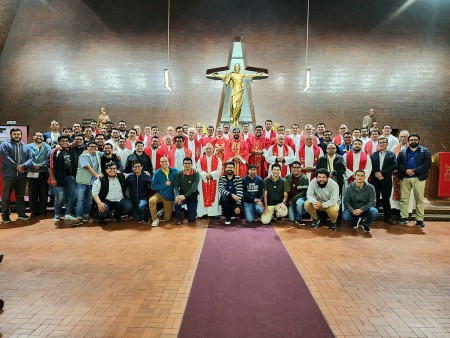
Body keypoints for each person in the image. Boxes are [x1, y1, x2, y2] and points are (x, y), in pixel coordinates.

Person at [397, 134, 432, 228]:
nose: (413, 141)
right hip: (405, 177)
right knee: (404, 199)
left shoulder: (425, 151)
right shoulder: (403, 151)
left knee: (419, 199)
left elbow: (427, 164)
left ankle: (419, 219)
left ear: (419, 141)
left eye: (415, 139)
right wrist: (405, 170)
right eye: (411, 139)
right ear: (408, 141)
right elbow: (398, 163)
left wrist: (415, 171)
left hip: (419, 178)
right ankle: (404, 217)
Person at [0, 128, 33, 223]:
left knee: (20, 196)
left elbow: (30, 158)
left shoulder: (26, 147)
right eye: (14, 134)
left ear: (21, 135)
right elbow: (5, 157)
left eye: (18, 134)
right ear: (11, 135)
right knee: (6, 196)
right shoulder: (5, 145)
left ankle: (21, 214)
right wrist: (16, 166)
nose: (16, 136)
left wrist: (23, 166)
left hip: (22, 175)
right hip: (9, 175)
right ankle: (5, 216)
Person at [48, 136, 78, 222]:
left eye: (66, 141)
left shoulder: (70, 150)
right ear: (58, 142)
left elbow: (75, 143)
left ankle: (68, 213)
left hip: (70, 177)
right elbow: (50, 167)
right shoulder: (54, 151)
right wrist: (53, 179)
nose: (65, 142)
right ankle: (57, 215)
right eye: (62, 141)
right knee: (59, 197)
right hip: (58, 178)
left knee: (74, 195)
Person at [370, 136, 397, 225]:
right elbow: (370, 166)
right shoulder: (373, 154)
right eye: (380, 142)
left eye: (383, 142)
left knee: (386, 199)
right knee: (375, 199)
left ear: (387, 144)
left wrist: (382, 173)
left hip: (386, 180)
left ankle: (388, 217)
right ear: (378, 144)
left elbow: (394, 165)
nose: (382, 144)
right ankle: (374, 216)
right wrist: (377, 174)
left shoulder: (391, 154)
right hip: (375, 179)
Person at [75, 141, 103, 224]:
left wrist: (116, 154)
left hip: (93, 182)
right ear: (87, 148)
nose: (93, 148)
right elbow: (88, 167)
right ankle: (79, 217)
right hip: (82, 181)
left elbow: (107, 152)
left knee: (90, 200)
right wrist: (97, 176)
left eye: (94, 146)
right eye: (90, 146)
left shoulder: (98, 154)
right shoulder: (83, 156)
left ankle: (86, 215)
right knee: (80, 199)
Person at [28, 131, 51, 217]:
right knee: (32, 193)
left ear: (43, 138)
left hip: (43, 171)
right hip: (32, 171)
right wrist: (34, 165)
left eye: (41, 136)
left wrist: (41, 165)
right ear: (33, 137)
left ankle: (42, 210)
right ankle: (33, 211)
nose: (39, 137)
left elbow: (49, 158)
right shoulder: (28, 147)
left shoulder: (48, 147)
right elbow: (26, 157)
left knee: (43, 192)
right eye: (37, 135)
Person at [150, 157, 178, 226]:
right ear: (160, 163)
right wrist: (164, 184)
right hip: (160, 194)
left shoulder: (175, 171)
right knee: (152, 200)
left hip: (169, 196)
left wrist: (194, 170)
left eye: (165, 161)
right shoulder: (157, 173)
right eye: (162, 161)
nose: (164, 163)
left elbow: (183, 175)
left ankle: (162, 211)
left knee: (167, 219)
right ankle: (155, 219)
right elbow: (153, 186)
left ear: (168, 162)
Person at [197, 144, 222, 218]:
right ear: (204, 150)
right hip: (204, 181)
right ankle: (203, 213)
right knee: (203, 196)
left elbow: (219, 169)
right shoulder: (200, 159)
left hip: (213, 180)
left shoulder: (218, 159)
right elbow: (198, 169)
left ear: (213, 149)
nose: (208, 150)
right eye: (207, 149)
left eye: (210, 149)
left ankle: (214, 213)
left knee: (214, 196)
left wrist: (211, 175)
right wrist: (205, 175)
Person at [174, 157, 200, 225]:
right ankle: (179, 218)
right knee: (176, 202)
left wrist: (184, 196)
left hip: (192, 197)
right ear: (183, 164)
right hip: (182, 196)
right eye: (185, 163)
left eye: (189, 163)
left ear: (191, 165)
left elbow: (193, 188)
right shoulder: (179, 173)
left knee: (191, 219)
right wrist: (177, 196)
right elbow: (176, 186)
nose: (187, 165)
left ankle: (187, 212)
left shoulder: (196, 173)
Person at [285, 161, 309, 226]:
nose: (296, 169)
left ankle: (299, 219)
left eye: (298, 167)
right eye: (294, 167)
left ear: (301, 168)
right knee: (292, 219)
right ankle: (302, 212)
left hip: (300, 198)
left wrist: (293, 200)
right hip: (291, 200)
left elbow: (304, 192)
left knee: (299, 202)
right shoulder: (287, 177)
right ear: (291, 168)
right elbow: (285, 190)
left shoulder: (304, 178)